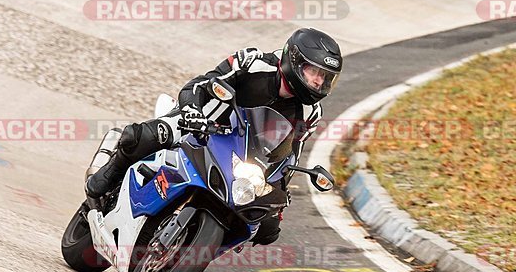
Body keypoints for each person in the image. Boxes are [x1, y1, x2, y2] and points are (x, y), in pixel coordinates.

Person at [85, 27, 343, 245]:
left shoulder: (311, 112)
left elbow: (289, 154)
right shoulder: (254, 63)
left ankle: (188, 246)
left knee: (267, 230)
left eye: (325, 77)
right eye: (314, 73)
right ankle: (108, 175)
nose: (319, 82)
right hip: (204, 120)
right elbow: (200, 83)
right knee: (144, 136)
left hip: (243, 153)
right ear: (294, 61)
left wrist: (279, 193)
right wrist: (192, 111)